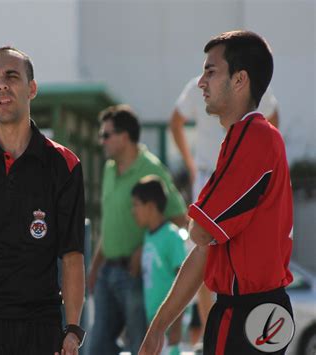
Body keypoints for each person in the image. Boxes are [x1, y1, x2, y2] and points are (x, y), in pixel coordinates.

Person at [139, 30, 294, 355]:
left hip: (246, 313)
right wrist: (159, 327)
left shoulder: (251, 136)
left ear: (240, 80)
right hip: (262, 311)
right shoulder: (250, 138)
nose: (201, 83)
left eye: (211, 71)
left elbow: (201, 232)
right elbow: (205, 246)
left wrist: (158, 327)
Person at [0, 46, 86, 355]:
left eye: (12, 76)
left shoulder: (64, 164)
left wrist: (73, 330)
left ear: (32, 88)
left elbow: (73, 255)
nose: (2, 85)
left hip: (38, 326)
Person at [170, 79, 279, 347]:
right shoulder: (203, 84)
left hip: (232, 173)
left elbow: (175, 120)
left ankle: (221, 332)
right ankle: (211, 332)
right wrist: (193, 166)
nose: (206, 83)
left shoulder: (245, 85)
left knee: (216, 249)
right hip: (212, 173)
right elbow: (176, 120)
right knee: (204, 249)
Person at [87, 104, 187, 355]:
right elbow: (110, 224)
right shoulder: (109, 170)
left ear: (124, 136)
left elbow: (179, 218)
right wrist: (95, 267)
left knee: (139, 347)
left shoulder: (152, 169)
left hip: (135, 277)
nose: (102, 141)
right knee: (96, 348)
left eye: (106, 135)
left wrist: (145, 248)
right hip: (106, 274)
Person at [131, 175, 187, 355]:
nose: (133, 211)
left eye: (136, 205)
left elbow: (184, 282)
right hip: (155, 329)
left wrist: (176, 326)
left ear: (151, 206)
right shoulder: (148, 236)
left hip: (171, 331)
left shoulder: (172, 236)